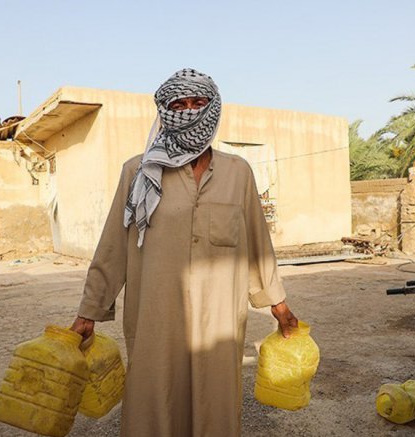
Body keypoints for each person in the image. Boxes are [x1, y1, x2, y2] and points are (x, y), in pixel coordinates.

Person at [70, 68, 298, 437]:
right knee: (155, 402)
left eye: (199, 103)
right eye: (179, 105)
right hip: (156, 317)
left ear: (214, 109)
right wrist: (89, 312)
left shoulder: (238, 172)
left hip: (219, 318)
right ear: (165, 112)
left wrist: (279, 305)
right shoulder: (140, 172)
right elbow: (113, 247)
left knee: (216, 404)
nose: (190, 112)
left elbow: (257, 242)